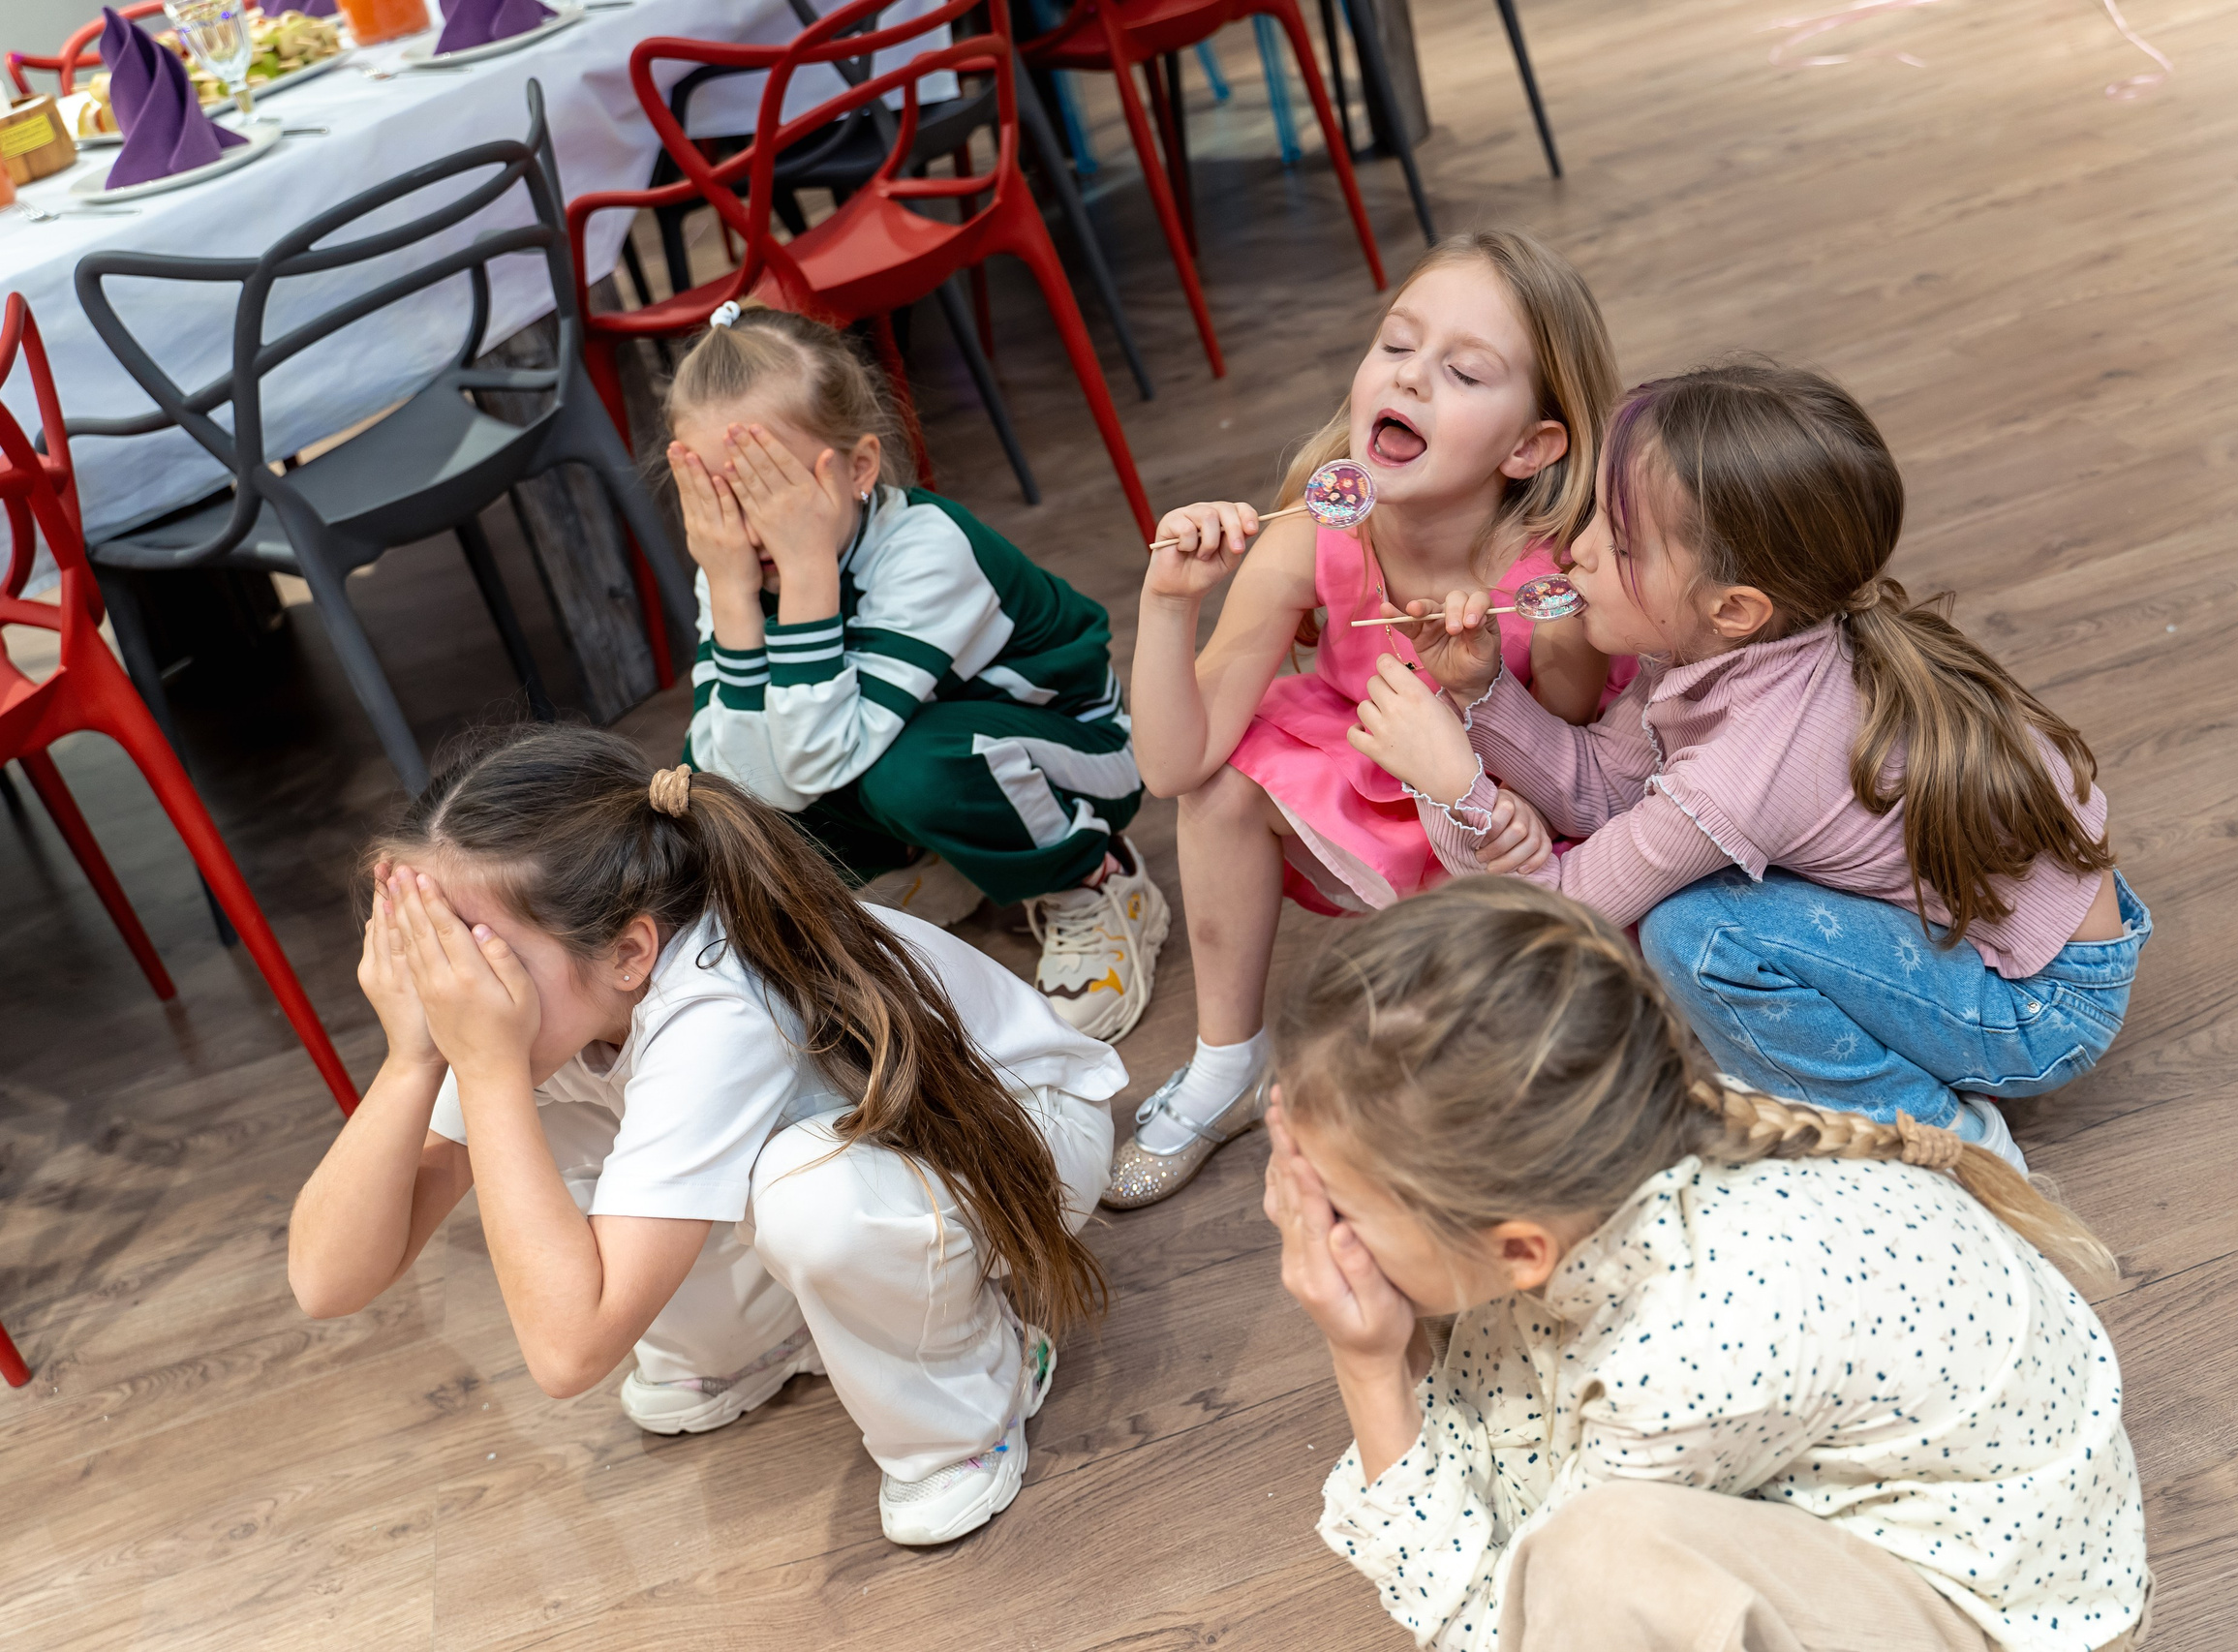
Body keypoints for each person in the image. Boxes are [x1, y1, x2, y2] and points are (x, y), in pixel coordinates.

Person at [287, 726, 1122, 1545]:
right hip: (874, 1154)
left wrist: (488, 1070)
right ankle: (762, 1337)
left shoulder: (719, 1003)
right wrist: (410, 1059)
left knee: (809, 1191)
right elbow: (328, 1281)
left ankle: (975, 1388)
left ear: (629, 952)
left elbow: (568, 1354)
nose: (454, 983)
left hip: (1019, 1144)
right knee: (566, 1139)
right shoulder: (560, 1001)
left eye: (474, 953)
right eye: (429, 948)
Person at [1266, 879, 2149, 1652]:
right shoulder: (1633, 1146)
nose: (1304, 1220)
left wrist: (1370, 1364)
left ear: (1521, 1247)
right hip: (1982, 1524)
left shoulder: (1688, 1341)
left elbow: (1511, 1627)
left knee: (1594, 1559)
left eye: (1336, 1207)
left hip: (2001, 1620)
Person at [1350, 360, 2151, 1167]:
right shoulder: (1724, 653)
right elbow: (1604, 791)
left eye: (1620, 542)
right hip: (2029, 934)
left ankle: (1941, 1137)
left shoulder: (1745, 768)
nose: (1577, 551)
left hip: (2041, 1008)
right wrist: (1480, 690)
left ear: (1732, 609)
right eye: (1597, 515)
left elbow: (1560, 922)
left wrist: (1448, 781)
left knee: (1696, 933)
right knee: (1702, 909)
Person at [1116, 228, 1624, 1208]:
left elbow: (1568, 742)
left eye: (1465, 371)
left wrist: (1482, 688)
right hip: (1355, 767)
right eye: (1396, 345)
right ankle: (1226, 1066)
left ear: (1531, 447)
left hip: (1500, 813)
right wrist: (1166, 601)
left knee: (1473, 1113)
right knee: (1224, 780)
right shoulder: (1313, 532)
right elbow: (1172, 766)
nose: (1414, 378)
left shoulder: (1555, 573)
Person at [664, 301, 1164, 1044]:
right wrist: (734, 596)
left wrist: (805, 577)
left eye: (773, 486)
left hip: (1072, 754)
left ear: (859, 468)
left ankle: (1092, 876)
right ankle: (945, 860)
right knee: (707, 798)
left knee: (917, 772)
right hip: (877, 748)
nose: (750, 527)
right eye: (721, 498)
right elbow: (747, 784)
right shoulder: (736, 568)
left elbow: (815, 758)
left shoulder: (926, 550)